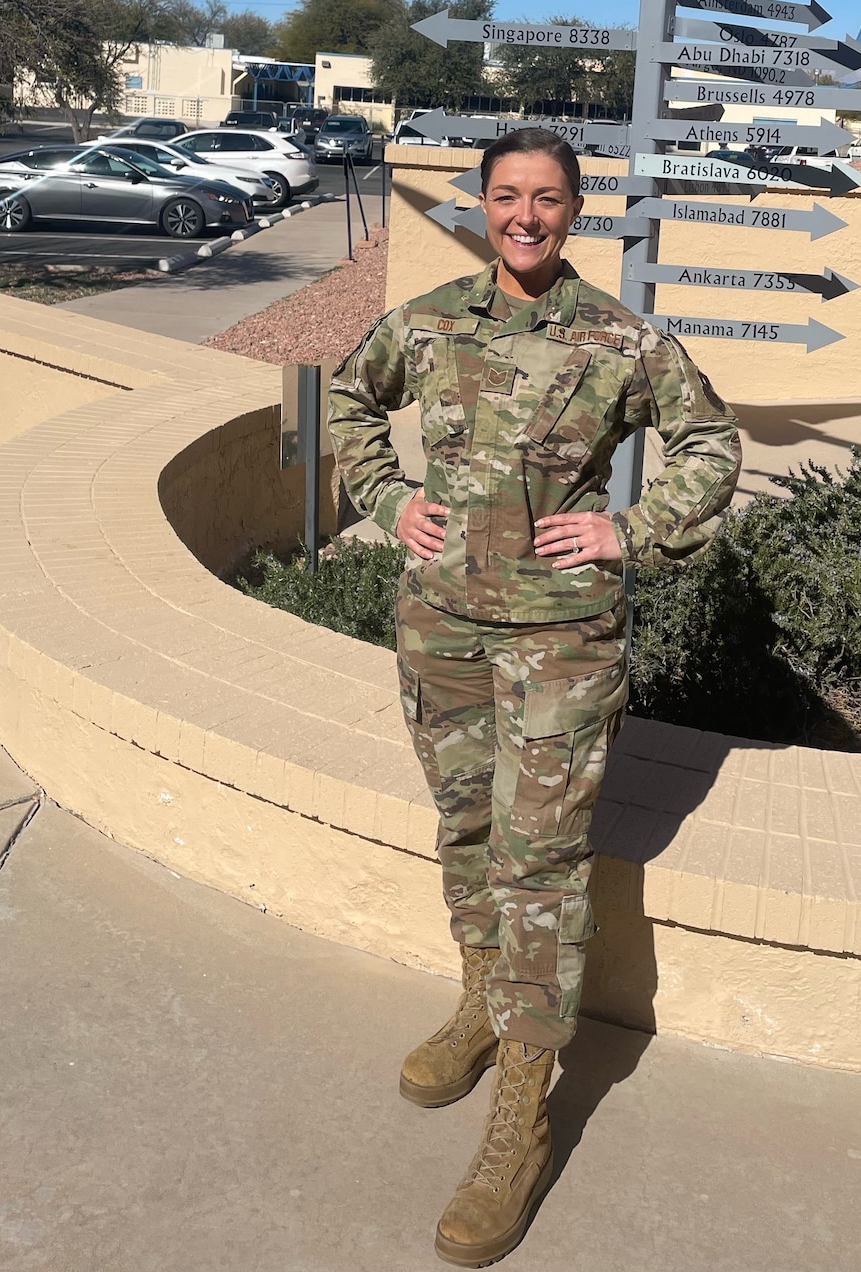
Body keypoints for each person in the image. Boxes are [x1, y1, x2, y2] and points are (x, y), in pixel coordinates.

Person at [328, 126, 741, 1266]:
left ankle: (525, 1100)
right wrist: (383, 493)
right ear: (481, 203)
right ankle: (477, 999)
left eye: (547, 198)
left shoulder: (621, 338)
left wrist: (629, 527)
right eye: (506, 195)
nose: (524, 214)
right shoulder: (427, 320)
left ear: (575, 210)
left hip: (562, 641)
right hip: (442, 629)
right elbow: (349, 403)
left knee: (542, 863)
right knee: (466, 828)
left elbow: (712, 442)